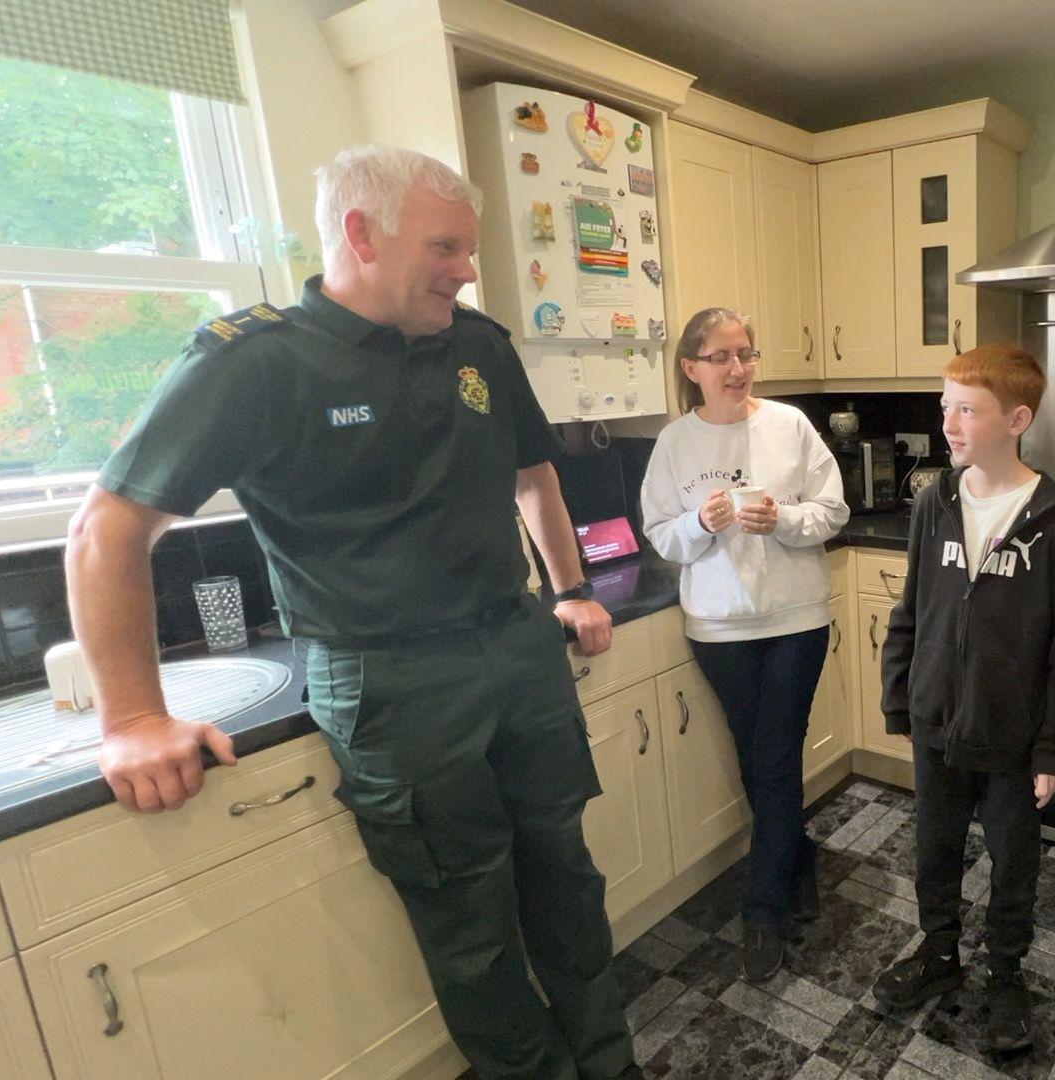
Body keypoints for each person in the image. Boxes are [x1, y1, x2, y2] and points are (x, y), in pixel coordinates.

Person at [66, 145, 639, 1080]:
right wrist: (131, 717)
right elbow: (105, 530)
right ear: (361, 235)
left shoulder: (480, 344)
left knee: (568, 879)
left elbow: (533, 472)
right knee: (471, 922)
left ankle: (610, 1067)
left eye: (469, 250)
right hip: (389, 680)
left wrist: (571, 589)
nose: (465, 270)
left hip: (516, 646)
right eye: (445, 247)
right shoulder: (255, 362)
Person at [874, 344, 1055, 1054]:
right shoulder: (933, 501)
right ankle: (939, 955)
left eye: (968, 410)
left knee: (1012, 859)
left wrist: (1054, 747)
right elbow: (911, 608)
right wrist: (900, 698)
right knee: (933, 848)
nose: (951, 425)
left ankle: (1006, 974)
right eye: (946, 409)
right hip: (938, 720)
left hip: (1012, 735)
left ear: (1018, 419)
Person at [639, 306, 848, 982]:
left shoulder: (789, 426)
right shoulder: (674, 444)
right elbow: (661, 534)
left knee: (776, 756)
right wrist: (699, 522)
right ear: (691, 367)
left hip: (794, 620)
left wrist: (783, 519)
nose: (737, 368)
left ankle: (763, 912)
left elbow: (832, 510)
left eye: (746, 354)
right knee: (759, 758)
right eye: (722, 356)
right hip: (719, 628)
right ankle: (798, 864)